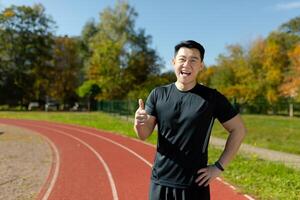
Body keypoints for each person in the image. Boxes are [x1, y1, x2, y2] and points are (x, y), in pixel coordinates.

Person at [134, 40, 246, 200]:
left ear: (201, 66)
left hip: (194, 185)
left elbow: (239, 130)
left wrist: (219, 167)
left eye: (193, 60)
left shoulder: (212, 97)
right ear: (173, 62)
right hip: (160, 182)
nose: (187, 64)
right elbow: (143, 134)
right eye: (182, 59)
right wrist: (139, 122)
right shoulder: (158, 94)